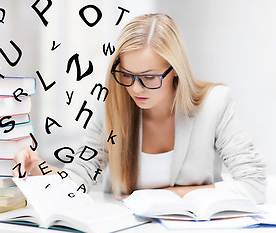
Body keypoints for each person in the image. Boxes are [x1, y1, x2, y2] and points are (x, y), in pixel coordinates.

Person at [13, 13, 266, 204]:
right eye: (127, 75)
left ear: (175, 72)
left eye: (149, 77)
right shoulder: (110, 107)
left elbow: (254, 185)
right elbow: (80, 178)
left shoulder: (215, 103)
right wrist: (38, 168)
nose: (135, 89)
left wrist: (168, 196)